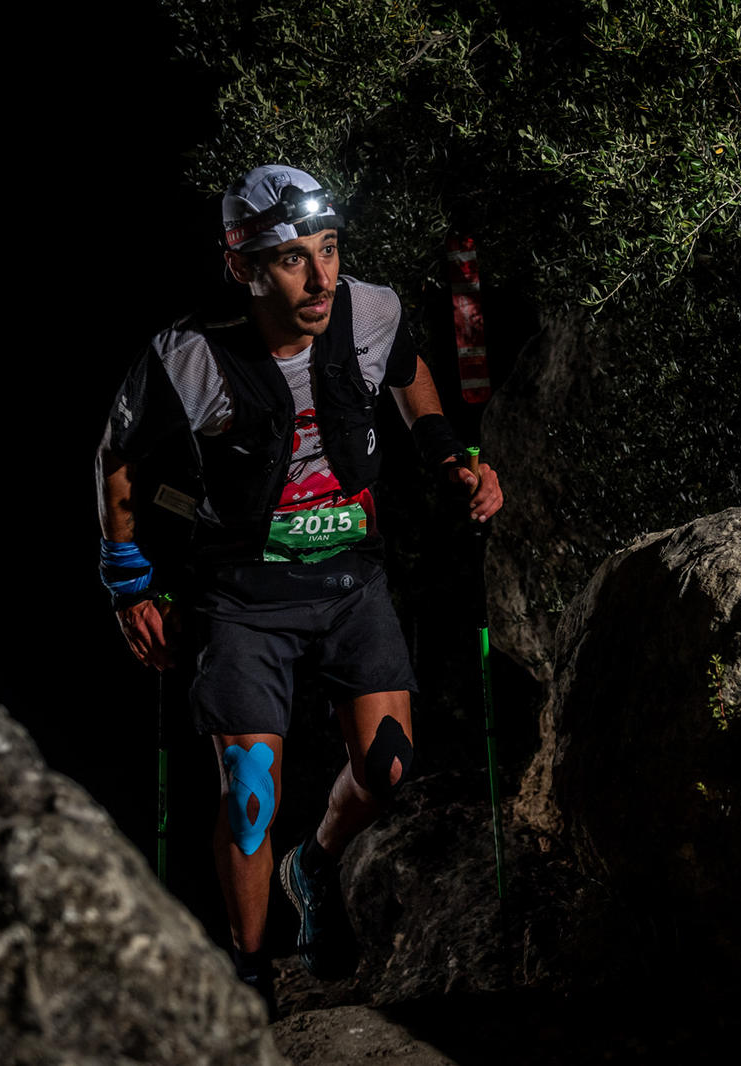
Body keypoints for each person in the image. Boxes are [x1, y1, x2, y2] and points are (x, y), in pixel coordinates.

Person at [94, 164, 502, 1016]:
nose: (321, 278)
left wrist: (447, 457)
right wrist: (128, 579)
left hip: (351, 579)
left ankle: (312, 864)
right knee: (250, 795)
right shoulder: (189, 355)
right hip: (242, 591)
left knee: (389, 767)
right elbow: (118, 456)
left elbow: (408, 370)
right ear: (242, 267)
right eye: (291, 259)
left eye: (329, 248)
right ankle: (250, 975)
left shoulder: (371, 310)